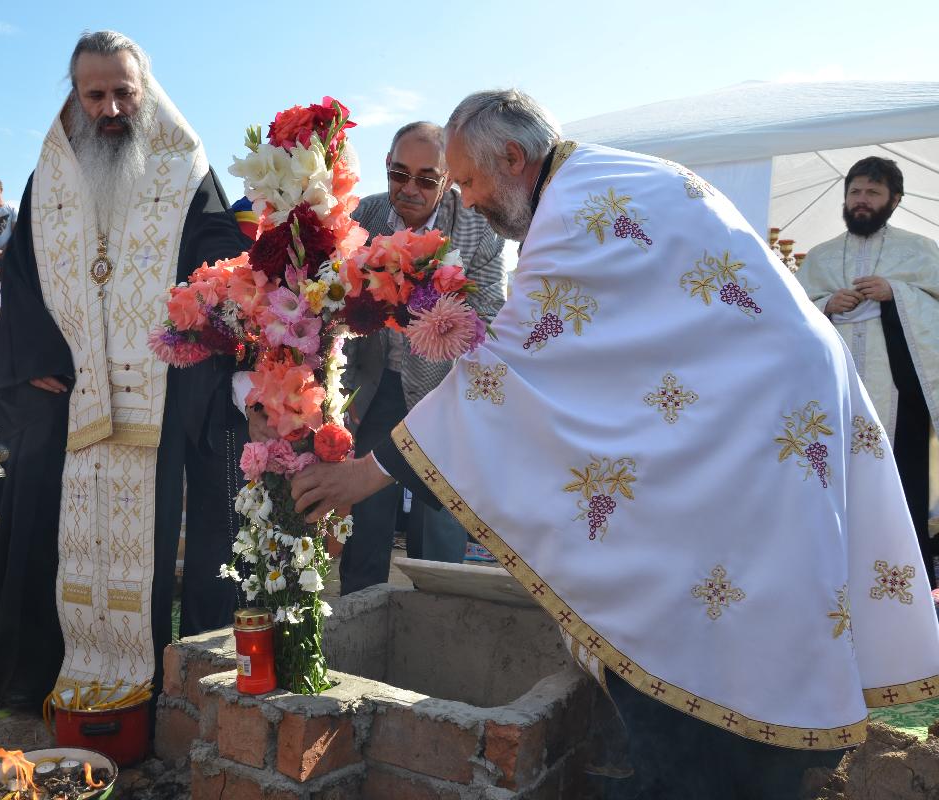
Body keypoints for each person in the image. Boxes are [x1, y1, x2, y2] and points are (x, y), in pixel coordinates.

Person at [287, 89, 939, 798]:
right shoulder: (604, 178)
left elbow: (505, 374)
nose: (466, 202)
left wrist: (367, 474)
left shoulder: (572, 213)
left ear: (513, 158)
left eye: (469, 182)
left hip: (758, 420)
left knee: (688, 602)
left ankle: (711, 769)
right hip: (763, 407)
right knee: (742, 593)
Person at [0, 30, 248, 710]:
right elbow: (25, 273)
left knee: (154, 540)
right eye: (95, 94)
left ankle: (155, 693)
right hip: (70, 388)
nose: (111, 107)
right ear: (76, 96)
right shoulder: (52, 177)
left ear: (144, 89)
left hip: (158, 386)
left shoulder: (184, 167)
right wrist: (32, 358)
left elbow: (217, 256)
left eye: (123, 91)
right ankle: (42, 678)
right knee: (48, 525)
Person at [341, 121, 505, 594]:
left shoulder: (481, 229)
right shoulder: (362, 216)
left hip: (443, 393)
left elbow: (490, 318)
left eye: (426, 179)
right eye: (398, 174)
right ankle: (358, 622)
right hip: (372, 389)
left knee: (439, 526)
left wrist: (422, 300)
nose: (409, 189)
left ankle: (436, 625)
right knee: (365, 521)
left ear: (448, 180)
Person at [795, 157, 939, 589]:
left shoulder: (921, 251)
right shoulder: (819, 257)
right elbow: (787, 318)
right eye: (856, 191)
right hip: (831, 394)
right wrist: (824, 307)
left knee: (900, 483)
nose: (862, 200)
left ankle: (902, 581)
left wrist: (898, 293)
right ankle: (833, 577)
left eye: (873, 193)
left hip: (901, 395)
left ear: (894, 200)